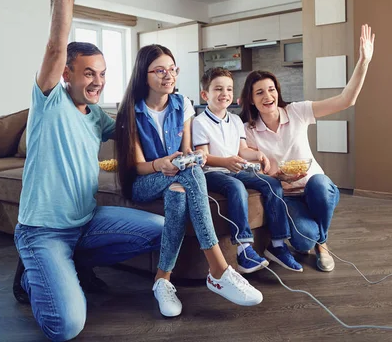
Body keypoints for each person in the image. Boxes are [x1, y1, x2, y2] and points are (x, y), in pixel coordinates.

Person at [12, 0, 164, 340]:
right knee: (66, 326)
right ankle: (33, 276)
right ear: (66, 74)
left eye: (102, 73)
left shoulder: (96, 115)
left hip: (86, 223)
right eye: (87, 74)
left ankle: (71, 264)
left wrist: (167, 93)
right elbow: (55, 44)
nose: (97, 81)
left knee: (162, 228)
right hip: (42, 230)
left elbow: (137, 128)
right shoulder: (50, 100)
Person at [115, 44, 263, 318]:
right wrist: (161, 164)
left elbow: (187, 153)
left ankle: (162, 281)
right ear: (143, 75)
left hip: (177, 177)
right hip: (145, 182)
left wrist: (190, 159)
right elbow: (137, 166)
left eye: (172, 69)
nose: (168, 75)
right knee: (189, 174)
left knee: (181, 188)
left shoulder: (182, 104)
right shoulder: (131, 111)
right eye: (160, 70)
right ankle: (218, 270)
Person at [240, 24, 375, 272]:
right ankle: (317, 238)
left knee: (320, 185)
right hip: (288, 195)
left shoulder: (298, 111)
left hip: (315, 187)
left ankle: (323, 245)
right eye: (259, 92)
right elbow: (251, 170)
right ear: (251, 99)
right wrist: (275, 175)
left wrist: (364, 61)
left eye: (271, 89)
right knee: (303, 241)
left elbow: (346, 99)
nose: (267, 95)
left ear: (277, 92)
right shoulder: (247, 130)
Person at [192, 67, 303, 273]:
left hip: (234, 169)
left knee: (271, 183)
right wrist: (225, 162)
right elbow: (203, 157)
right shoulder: (199, 123)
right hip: (212, 173)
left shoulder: (235, 120)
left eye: (229, 89)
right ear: (205, 94)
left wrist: (258, 154)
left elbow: (242, 150)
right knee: (236, 187)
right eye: (218, 89)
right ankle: (244, 250)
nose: (224, 94)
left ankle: (278, 245)